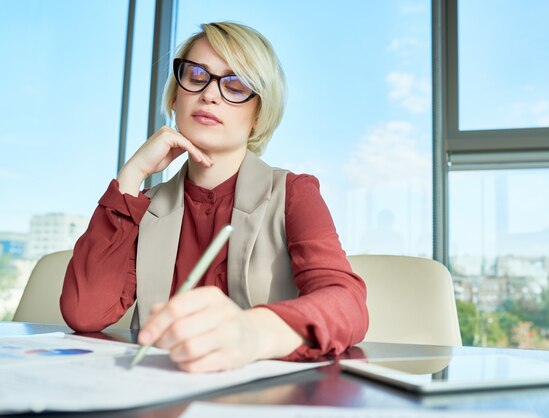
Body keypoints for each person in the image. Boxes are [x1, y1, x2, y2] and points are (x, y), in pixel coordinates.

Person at [60, 21, 368, 373]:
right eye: (195, 75)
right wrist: (131, 176)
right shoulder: (143, 206)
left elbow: (347, 303)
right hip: (160, 391)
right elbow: (83, 312)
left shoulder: (293, 193)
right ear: (176, 96)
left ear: (258, 115)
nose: (209, 94)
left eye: (236, 85)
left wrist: (253, 333)